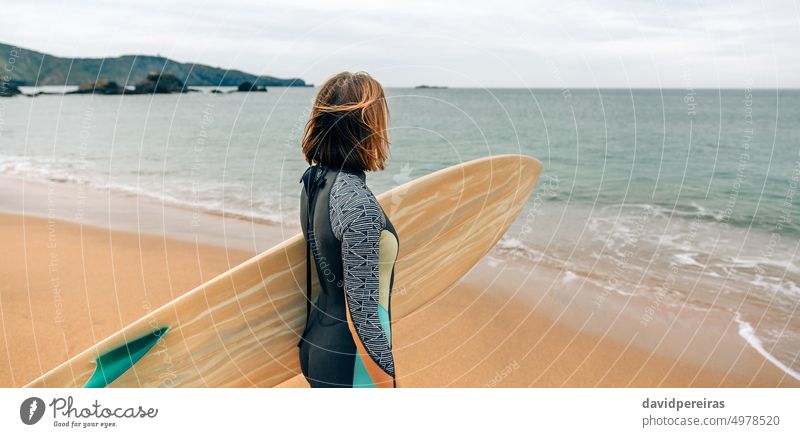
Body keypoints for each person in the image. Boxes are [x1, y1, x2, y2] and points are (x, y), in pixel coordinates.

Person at [297, 71, 398, 388]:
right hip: (353, 361)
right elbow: (363, 317)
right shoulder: (360, 207)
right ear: (369, 126)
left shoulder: (314, 181)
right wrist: (389, 384)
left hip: (317, 343)